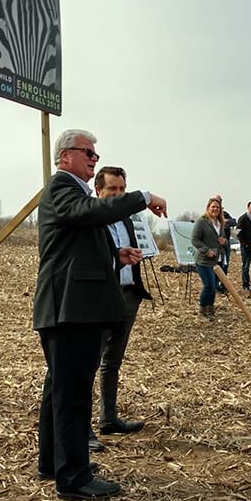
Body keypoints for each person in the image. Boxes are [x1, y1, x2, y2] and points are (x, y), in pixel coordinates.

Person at [33, 129, 167, 501]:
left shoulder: (72, 193)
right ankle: (73, 478)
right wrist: (142, 197)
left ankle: (53, 463)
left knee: (60, 390)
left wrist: (115, 255)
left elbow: (76, 241)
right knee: (73, 394)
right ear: (65, 156)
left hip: (72, 308)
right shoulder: (63, 187)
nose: (94, 158)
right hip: (70, 309)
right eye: (88, 152)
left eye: (95, 154)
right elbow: (90, 213)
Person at [86, 167, 151, 455]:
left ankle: (108, 418)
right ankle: (82, 428)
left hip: (128, 296)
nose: (118, 194)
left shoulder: (125, 219)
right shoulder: (90, 219)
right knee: (89, 364)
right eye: (112, 189)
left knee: (112, 361)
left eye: (122, 189)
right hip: (101, 299)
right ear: (98, 190)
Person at [192, 197, 227, 316]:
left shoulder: (220, 223)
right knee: (209, 285)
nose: (215, 209)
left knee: (214, 286)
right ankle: (202, 309)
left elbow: (224, 239)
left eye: (217, 207)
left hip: (217, 260)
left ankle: (210, 308)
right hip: (204, 260)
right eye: (213, 207)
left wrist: (224, 241)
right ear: (208, 208)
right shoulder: (202, 222)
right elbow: (195, 240)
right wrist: (206, 250)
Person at [214, 194, 236, 292]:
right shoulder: (211, 214)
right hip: (215, 244)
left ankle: (223, 286)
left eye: (219, 201)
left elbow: (233, 222)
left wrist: (225, 221)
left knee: (225, 265)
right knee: (216, 265)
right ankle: (215, 286)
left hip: (225, 243)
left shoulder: (225, 214)